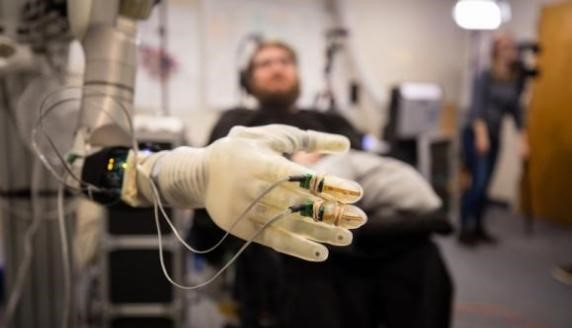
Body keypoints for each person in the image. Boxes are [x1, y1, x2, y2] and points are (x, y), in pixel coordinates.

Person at [191, 39, 453, 328]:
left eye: (284, 62)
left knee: (422, 257)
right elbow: (213, 186)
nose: (277, 68)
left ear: (298, 74)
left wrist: (325, 155)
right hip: (287, 240)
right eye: (265, 64)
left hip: (361, 227)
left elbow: (365, 163)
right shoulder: (236, 124)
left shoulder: (328, 120)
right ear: (249, 80)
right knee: (310, 267)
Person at [459, 32, 529, 246]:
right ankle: (465, 228)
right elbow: (477, 108)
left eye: (512, 46)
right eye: (505, 47)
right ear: (496, 51)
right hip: (476, 134)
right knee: (477, 183)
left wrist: (523, 140)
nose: (510, 51)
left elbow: (517, 111)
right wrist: (481, 137)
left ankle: (479, 226)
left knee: (486, 183)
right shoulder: (485, 75)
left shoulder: (515, 79)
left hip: (495, 135)